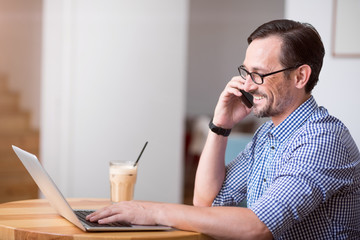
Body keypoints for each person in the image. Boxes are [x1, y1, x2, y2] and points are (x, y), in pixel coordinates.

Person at [87, 19, 360, 239]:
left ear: (300, 76)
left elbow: (258, 226)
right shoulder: (267, 136)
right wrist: (221, 126)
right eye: (246, 72)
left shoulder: (323, 139)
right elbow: (206, 202)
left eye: (259, 75)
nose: (248, 86)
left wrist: (152, 211)